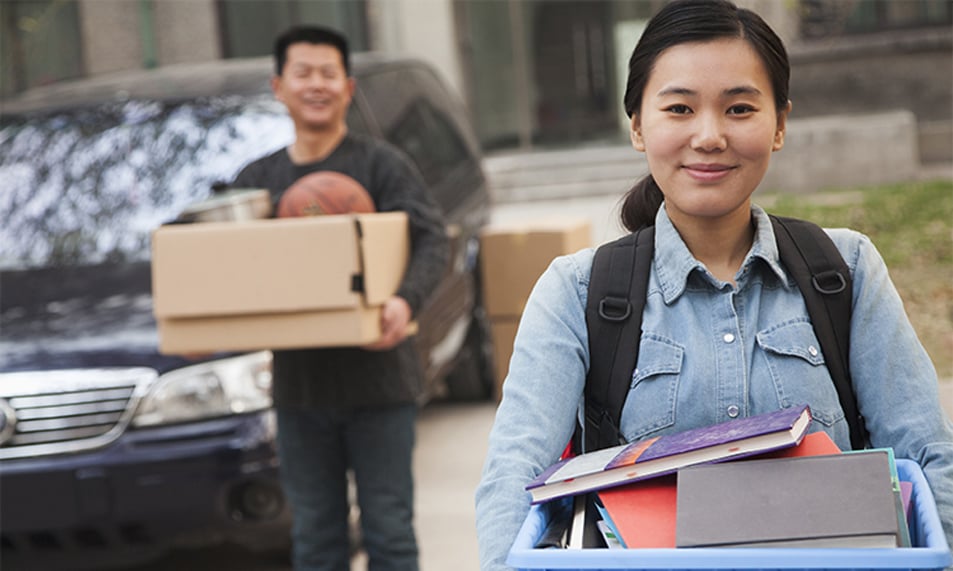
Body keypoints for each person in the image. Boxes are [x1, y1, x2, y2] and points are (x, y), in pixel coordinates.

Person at [474, 1, 953, 569]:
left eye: (739, 108)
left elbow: (927, 455)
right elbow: (516, 475)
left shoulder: (845, 269)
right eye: (679, 107)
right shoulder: (576, 291)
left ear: (778, 125)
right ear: (636, 125)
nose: (709, 136)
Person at [231, 25, 449, 571]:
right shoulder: (259, 181)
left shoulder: (382, 166)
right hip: (300, 390)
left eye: (328, 74)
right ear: (278, 86)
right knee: (315, 538)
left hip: (380, 383)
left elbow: (432, 240)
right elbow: (220, 257)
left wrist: (403, 301)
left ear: (348, 87)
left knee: (390, 533)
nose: (316, 85)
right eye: (303, 73)